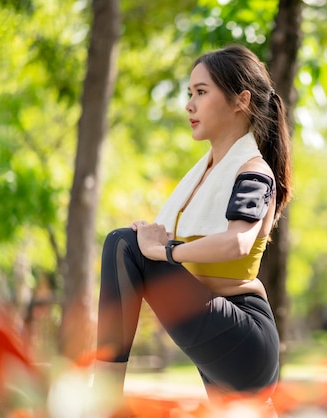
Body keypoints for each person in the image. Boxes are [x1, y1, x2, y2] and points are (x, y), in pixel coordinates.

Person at [93, 44, 292, 409]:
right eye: (190, 94)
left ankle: (101, 401)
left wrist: (163, 251)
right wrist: (150, 240)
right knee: (128, 243)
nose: (189, 105)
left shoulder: (253, 172)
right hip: (215, 325)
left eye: (201, 92)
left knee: (123, 245)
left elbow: (237, 243)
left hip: (243, 332)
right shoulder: (203, 176)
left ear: (240, 100)